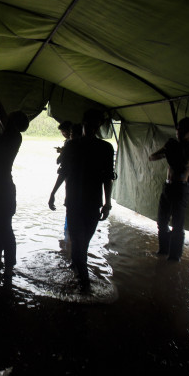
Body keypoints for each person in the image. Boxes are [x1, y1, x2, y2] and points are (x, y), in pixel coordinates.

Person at [48, 109, 114, 290]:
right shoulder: (102, 148)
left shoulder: (75, 146)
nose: (91, 128)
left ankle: (81, 280)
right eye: (89, 124)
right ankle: (85, 284)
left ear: (98, 125)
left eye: (94, 124)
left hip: (81, 202)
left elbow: (64, 172)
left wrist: (108, 203)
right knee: (80, 243)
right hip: (87, 203)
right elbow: (107, 178)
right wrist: (107, 203)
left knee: (80, 244)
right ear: (84, 124)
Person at [0, 90, 29, 273]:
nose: (5, 118)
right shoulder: (10, 135)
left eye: (9, 117)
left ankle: (9, 265)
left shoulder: (13, 136)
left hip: (1, 188)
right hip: (0, 186)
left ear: (12, 122)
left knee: (3, 227)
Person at [148, 117, 189, 261]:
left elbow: (182, 164)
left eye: (184, 130)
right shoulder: (172, 145)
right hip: (168, 186)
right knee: (161, 221)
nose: (179, 132)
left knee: (177, 225)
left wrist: (170, 149)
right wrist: (166, 149)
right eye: (178, 128)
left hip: (180, 188)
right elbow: (152, 157)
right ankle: (163, 250)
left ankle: (175, 256)